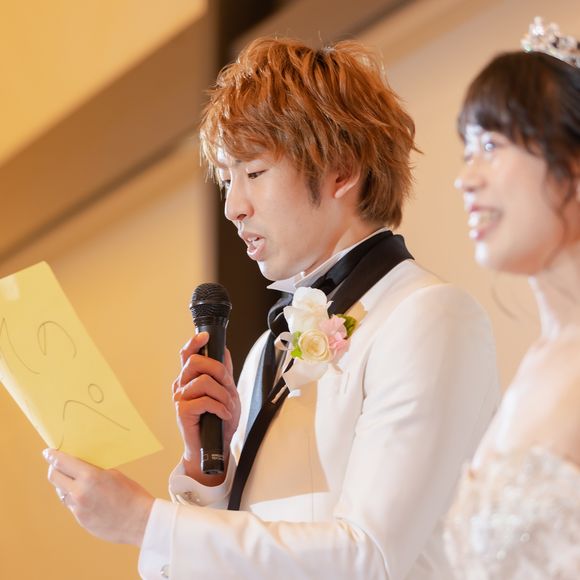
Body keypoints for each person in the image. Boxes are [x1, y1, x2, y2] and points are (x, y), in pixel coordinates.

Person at [44, 36, 499, 579]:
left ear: (341, 171)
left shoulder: (428, 316)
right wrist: (211, 475)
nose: (233, 207)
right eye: (227, 180)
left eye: (254, 173)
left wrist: (144, 522)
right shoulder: (268, 347)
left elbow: (370, 558)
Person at [445, 17, 580, 579]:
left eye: (490, 145)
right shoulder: (538, 361)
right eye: (467, 151)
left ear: (572, 163)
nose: (465, 179)